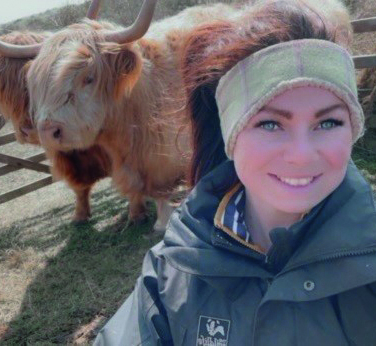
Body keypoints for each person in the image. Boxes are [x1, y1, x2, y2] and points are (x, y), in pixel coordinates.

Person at [94, 0, 376, 344]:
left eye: (329, 122)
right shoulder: (171, 271)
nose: (302, 155)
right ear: (230, 133)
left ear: (354, 127)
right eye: (270, 123)